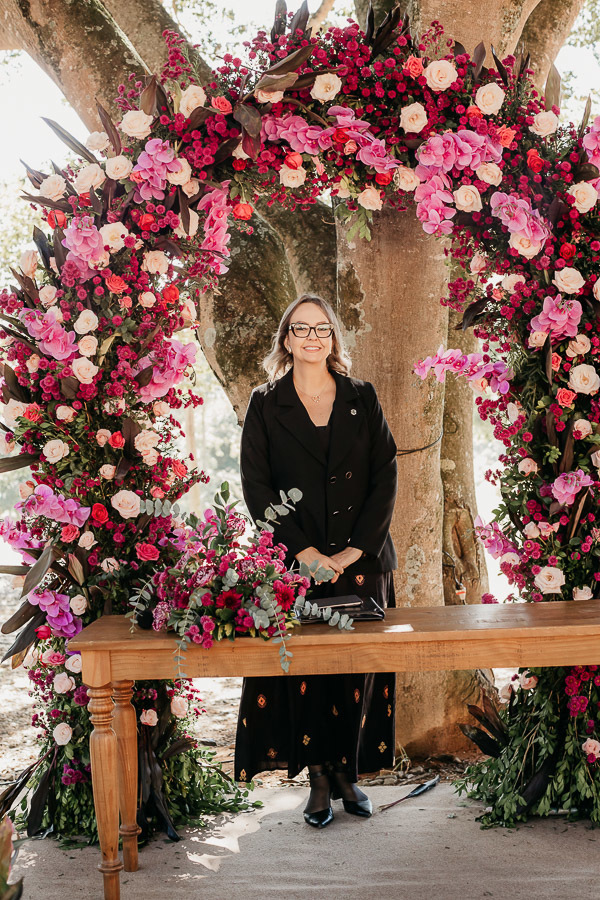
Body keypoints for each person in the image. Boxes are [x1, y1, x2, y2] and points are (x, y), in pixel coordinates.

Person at [235, 293, 398, 828]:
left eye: (321, 329)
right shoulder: (265, 402)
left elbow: (385, 475)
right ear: (286, 339)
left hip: (362, 558)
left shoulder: (362, 396)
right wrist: (303, 553)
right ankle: (318, 781)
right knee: (306, 671)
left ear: (333, 338)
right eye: (301, 329)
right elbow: (256, 486)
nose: (311, 337)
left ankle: (348, 773)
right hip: (294, 564)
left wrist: (353, 551)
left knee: (355, 671)